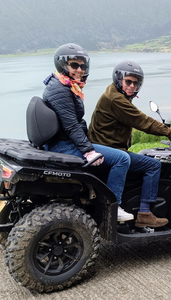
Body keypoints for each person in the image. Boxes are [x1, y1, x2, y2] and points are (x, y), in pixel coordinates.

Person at [42, 43, 134, 221]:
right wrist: (88, 150)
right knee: (122, 159)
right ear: (62, 65)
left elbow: (73, 122)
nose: (80, 69)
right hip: (63, 145)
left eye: (82, 66)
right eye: (74, 65)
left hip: (61, 141)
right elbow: (71, 126)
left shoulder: (62, 85)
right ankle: (113, 208)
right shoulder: (61, 90)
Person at [88, 60, 171, 228]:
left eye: (136, 83)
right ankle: (144, 214)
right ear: (119, 79)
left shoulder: (113, 94)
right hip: (110, 150)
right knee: (153, 166)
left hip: (104, 146)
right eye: (129, 81)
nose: (132, 86)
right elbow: (142, 121)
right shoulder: (116, 99)